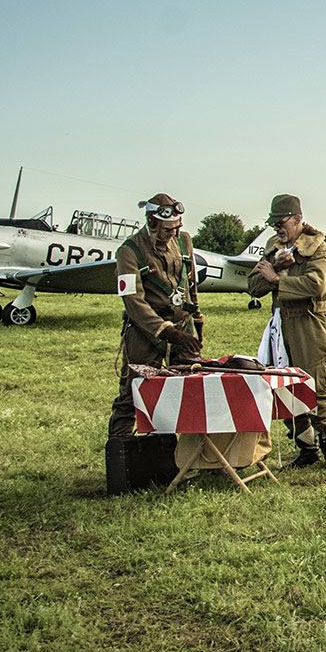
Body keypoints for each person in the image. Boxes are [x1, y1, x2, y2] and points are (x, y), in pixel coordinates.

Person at [107, 194, 204, 483]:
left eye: (176, 227)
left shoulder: (184, 241)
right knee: (133, 392)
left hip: (182, 325)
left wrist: (196, 322)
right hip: (145, 330)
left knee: (188, 390)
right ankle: (121, 461)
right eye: (166, 229)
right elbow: (132, 301)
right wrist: (164, 331)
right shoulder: (129, 251)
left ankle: (179, 462)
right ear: (150, 221)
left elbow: (190, 283)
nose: (172, 233)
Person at [249, 193, 326, 467]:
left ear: (298, 219)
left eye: (281, 221)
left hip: (310, 323)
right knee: (285, 387)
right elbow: (254, 286)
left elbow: (317, 285)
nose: (277, 227)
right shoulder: (273, 247)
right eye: (273, 222)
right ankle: (306, 448)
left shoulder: (317, 246)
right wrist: (274, 265)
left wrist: (277, 280)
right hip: (281, 325)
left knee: (315, 387)